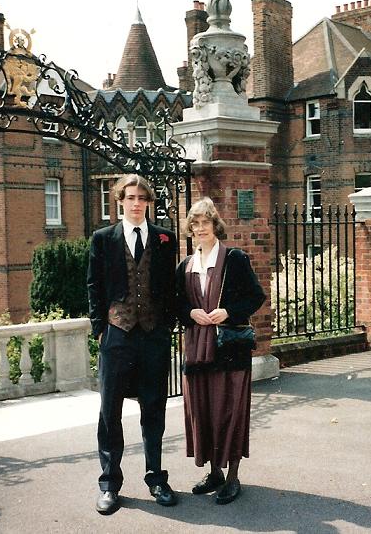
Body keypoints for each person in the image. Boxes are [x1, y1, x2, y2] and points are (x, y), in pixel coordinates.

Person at [87, 174, 178, 515]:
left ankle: (156, 478)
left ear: (149, 202)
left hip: (153, 336)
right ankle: (110, 484)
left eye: (143, 197)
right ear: (120, 200)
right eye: (131, 197)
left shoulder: (165, 238)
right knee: (110, 411)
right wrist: (100, 329)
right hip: (117, 335)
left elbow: (170, 286)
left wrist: (166, 325)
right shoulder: (103, 239)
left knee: (153, 410)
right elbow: (94, 286)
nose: (137, 203)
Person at [174, 197, 266, 505]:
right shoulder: (185, 266)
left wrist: (228, 312)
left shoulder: (235, 259)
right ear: (190, 228)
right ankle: (214, 472)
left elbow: (256, 297)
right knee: (204, 411)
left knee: (230, 411)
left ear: (216, 225)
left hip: (229, 350)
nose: (200, 228)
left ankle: (232, 477)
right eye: (195, 224)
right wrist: (190, 313)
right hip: (197, 351)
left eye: (205, 222)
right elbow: (175, 305)